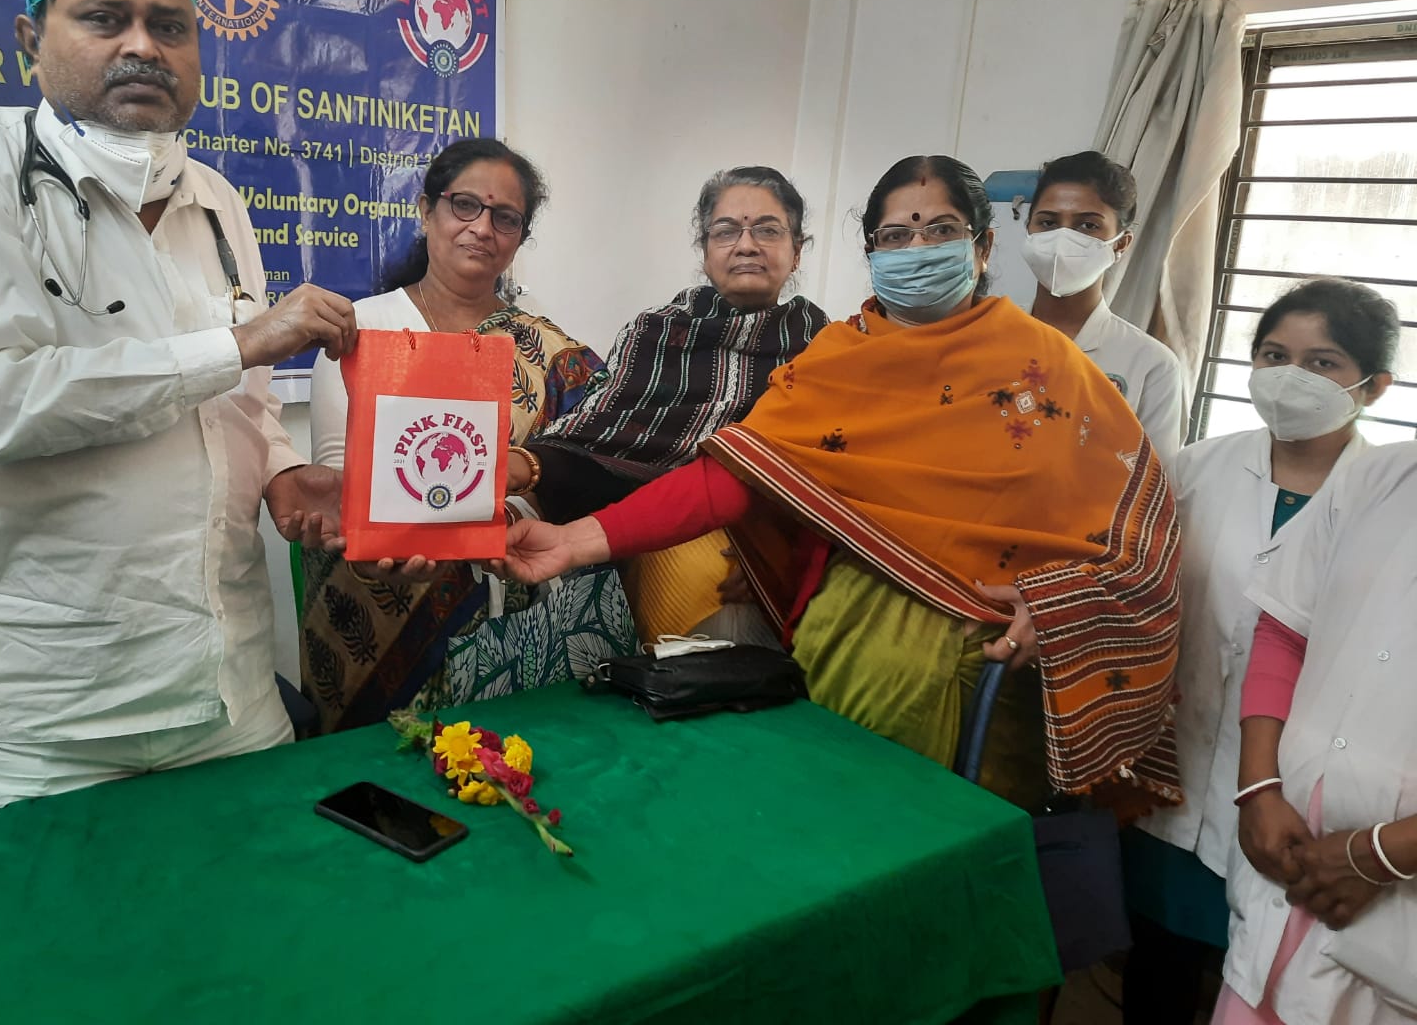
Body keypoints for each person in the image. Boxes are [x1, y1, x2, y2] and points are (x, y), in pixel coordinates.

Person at [0, 0, 355, 822]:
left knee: (254, 947)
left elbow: (236, 398)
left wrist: (284, 472)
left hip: (224, 688)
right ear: (29, 39)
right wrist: (240, 341)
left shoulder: (216, 199)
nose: (143, 46)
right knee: (36, 961)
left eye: (170, 26)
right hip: (31, 720)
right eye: (104, 18)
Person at [494, 155, 1183, 810]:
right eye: (896, 234)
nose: (917, 247)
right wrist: (572, 542)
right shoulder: (839, 359)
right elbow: (735, 480)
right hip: (844, 634)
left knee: (927, 840)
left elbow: (1134, 525)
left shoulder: (1045, 365)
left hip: (992, 657)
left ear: (982, 246)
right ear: (872, 253)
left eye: (940, 229)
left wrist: (1060, 604)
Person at [1121, 278, 1398, 1025]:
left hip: (1302, 802)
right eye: (1274, 355)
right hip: (1177, 763)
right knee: (1159, 967)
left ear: (1374, 386)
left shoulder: (1383, 498)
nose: (1289, 377)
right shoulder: (1193, 470)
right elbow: (1125, 583)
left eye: (1322, 363)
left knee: (1264, 978)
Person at [302, 138, 634, 732]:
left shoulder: (545, 347)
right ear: (427, 210)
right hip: (382, 617)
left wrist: (511, 492)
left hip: (520, 625)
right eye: (464, 206)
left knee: (515, 777)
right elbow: (339, 477)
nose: (483, 228)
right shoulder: (363, 330)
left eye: (505, 217)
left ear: (519, 237)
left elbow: (600, 460)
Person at [525, 166, 829, 646]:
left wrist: (773, 556)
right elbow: (598, 441)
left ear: (796, 252)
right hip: (656, 536)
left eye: (768, 230)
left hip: (781, 558)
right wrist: (526, 466)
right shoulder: (654, 334)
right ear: (705, 252)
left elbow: (827, 474)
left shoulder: (827, 349)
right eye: (727, 231)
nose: (746, 245)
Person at [1210, 438, 1417, 1025]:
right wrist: (1258, 788)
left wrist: (1384, 854)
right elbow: (1284, 628)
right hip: (1292, 861)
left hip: (1392, 904)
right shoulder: (1380, 475)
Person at [1023, 151, 1185, 458]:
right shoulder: (988, 336)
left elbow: (1154, 482)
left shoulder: (1150, 364)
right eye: (1047, 222)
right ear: (1029, 231)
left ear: (1121, 244)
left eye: (1087, 226)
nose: (1062, 239)